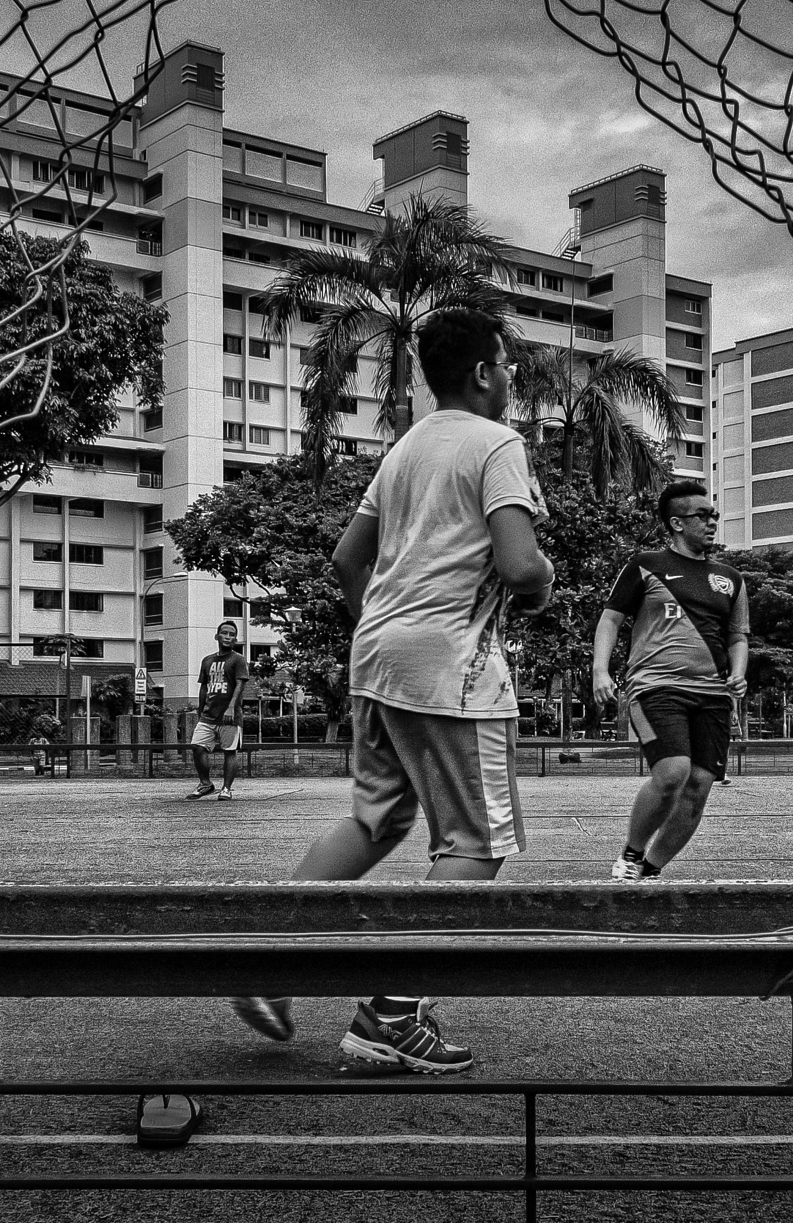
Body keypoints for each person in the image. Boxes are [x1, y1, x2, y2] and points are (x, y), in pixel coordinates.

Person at [224, 306, 553, 1072]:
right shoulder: (498, 444)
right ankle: (390, 1013)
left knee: (375, 820)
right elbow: (518, 565)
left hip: (376, 654)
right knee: (476, 844)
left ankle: (264, 964)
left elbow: (347, 560)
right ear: (482, 372)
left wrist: (390, 630)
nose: (509, 378)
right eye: (505, 365)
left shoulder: (406, 448)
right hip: (453, 666)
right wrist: (543, 581)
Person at [592, 481, 748, 879]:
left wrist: (739, 673)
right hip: (655, 686)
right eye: (703, 516)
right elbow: (611, 619)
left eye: (714, 515)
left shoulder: (729, 577)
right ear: (677, 523)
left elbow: (737, 636)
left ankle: (649, 869)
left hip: (713, 694)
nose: (712, 521)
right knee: (673, 772)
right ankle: (630, 854)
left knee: (698, 785)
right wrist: (600, 670)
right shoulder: (646, 564)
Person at [187, 620, 248, 800]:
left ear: (235, 639)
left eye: (232, 634)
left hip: (229, 716)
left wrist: (231, 707)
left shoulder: (238, 659)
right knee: (197, 747)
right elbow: (204, 687)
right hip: (208, 716)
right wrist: (200, 710)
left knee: (230, 751)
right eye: (225, 633)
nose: (228, 637)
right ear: (217, 636)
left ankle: (226, 789)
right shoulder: (207, 660)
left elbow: (240, 684)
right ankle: (205, 784)